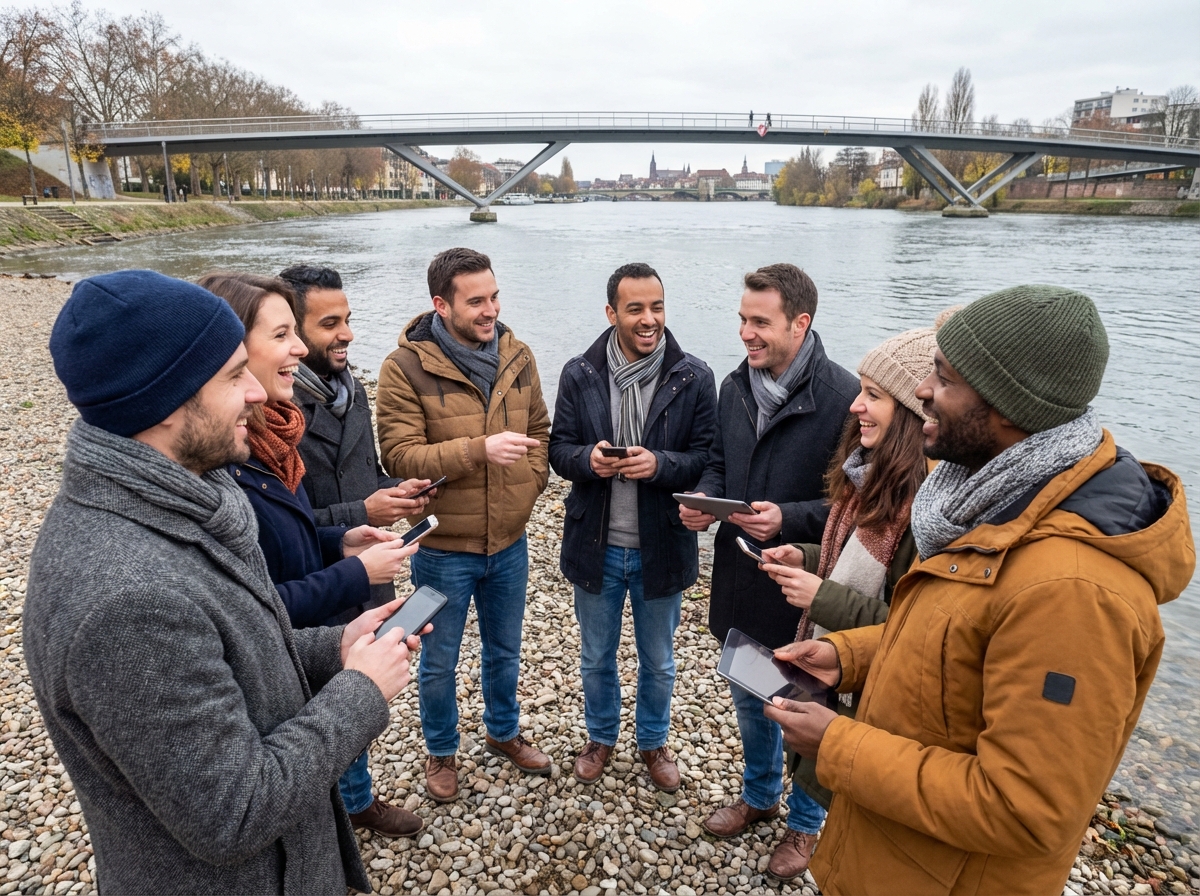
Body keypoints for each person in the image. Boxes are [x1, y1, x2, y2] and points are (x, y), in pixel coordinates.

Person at [765, 286, 1195, 895]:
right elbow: (959, 647)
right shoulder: (987, 506)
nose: (922, 392)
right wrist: (853, 656)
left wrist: (838, 743)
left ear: (1007, 407)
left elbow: (1025, 806)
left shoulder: (1076, 592)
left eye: (943, 378)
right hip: (895, 857)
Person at [25, 270, 425, 893]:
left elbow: (228, 651)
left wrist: (334, 649)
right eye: (234, 376)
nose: (259, 396)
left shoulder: (175, 504)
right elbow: (232, 812)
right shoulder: (127, 600)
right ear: (165, 399)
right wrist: (361, 689)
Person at [201, 271, 426, 839]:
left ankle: (352, 807)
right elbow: (255, 595)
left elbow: (310, 511)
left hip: (342, 580)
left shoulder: (303, 415)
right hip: (317, 599)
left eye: (346, 319)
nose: (342, 335)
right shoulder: (239, 452)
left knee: (336, 712)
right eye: (326, 324)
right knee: (311, 724)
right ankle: (336, 823)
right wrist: (354, 536)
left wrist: (372, 511)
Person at [678, 263, 857, 880]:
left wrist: (787, 518)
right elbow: (719, 466)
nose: (746, 334)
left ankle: (806, 827)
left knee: (808, 713)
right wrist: (706, 501)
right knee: (751, 702)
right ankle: (759, 797)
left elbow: (858, 509)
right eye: (742, 320)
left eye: (760, 323)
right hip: (738, 580)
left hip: (806, 594)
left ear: (800, 323)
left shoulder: (844, 399)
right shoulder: (735, 387)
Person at [375, 247, 552, 802]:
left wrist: (530, 486)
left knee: (505, 649)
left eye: (494, 296)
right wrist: (479, 449)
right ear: (441, 304)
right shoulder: (403, 368)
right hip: (444, 549)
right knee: (439, 660)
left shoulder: (518, 355)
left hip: (509, 542)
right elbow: (399, 457)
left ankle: (503, 733)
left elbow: (541, 433)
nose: (490, 309)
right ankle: (441, 751)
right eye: (476, 300)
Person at [549, 262, 718, 790]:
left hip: (661, 544)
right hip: (596, 543)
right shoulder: (580, 373)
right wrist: (589, 460)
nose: (650, 320)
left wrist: (660, 466)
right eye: (636, 309)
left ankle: (653, 743)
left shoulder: (694, 376)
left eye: (658, 307)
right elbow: (559, 450)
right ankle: (600, 738)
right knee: (596, 656)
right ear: (611, 313)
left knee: (660, 661)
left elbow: (708, 458)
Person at [759, 322, 940, 811]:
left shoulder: (926, 509)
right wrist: (806, 556)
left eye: (873, 395)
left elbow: (913, 627)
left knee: (840, 763)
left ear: (910, 411)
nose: (855, 406)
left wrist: (819, 596)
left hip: (874, 692)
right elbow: (850, 563)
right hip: (842, 661)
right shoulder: (867, 474)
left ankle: (806, 830)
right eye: (859, 391)